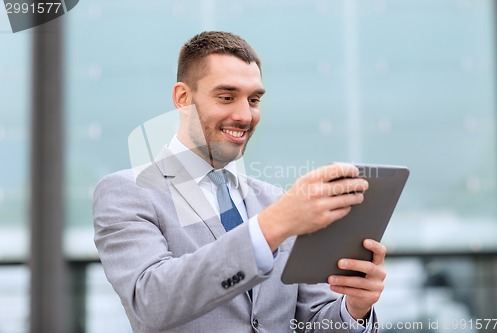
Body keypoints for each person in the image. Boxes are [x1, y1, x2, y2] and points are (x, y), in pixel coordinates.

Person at [93, 31, 387, 333]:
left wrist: (355, 309)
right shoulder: (129, 192)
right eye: (226, 97)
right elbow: (150, 303)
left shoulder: (275, 200)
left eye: (254, 99)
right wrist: (270, 228)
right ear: (183, 98)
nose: (245, 115)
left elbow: (310, 322)